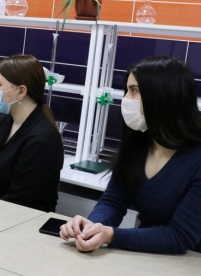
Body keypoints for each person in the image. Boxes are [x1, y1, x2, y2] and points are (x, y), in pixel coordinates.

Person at [60, 56, 201, 254]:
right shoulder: (140, 143)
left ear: (162, 95)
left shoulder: (196, 159)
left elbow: (180, 237)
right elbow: (113, 201)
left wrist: (110, 235)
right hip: (148, 255)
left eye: (134, 90)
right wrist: (92, 227)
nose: (126, 99)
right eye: (127, 90)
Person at [0, 54, 64, 212]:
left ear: (21, 91)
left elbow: (18, 199)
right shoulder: (4, 122)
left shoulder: (42, 139)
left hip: (24, 218)